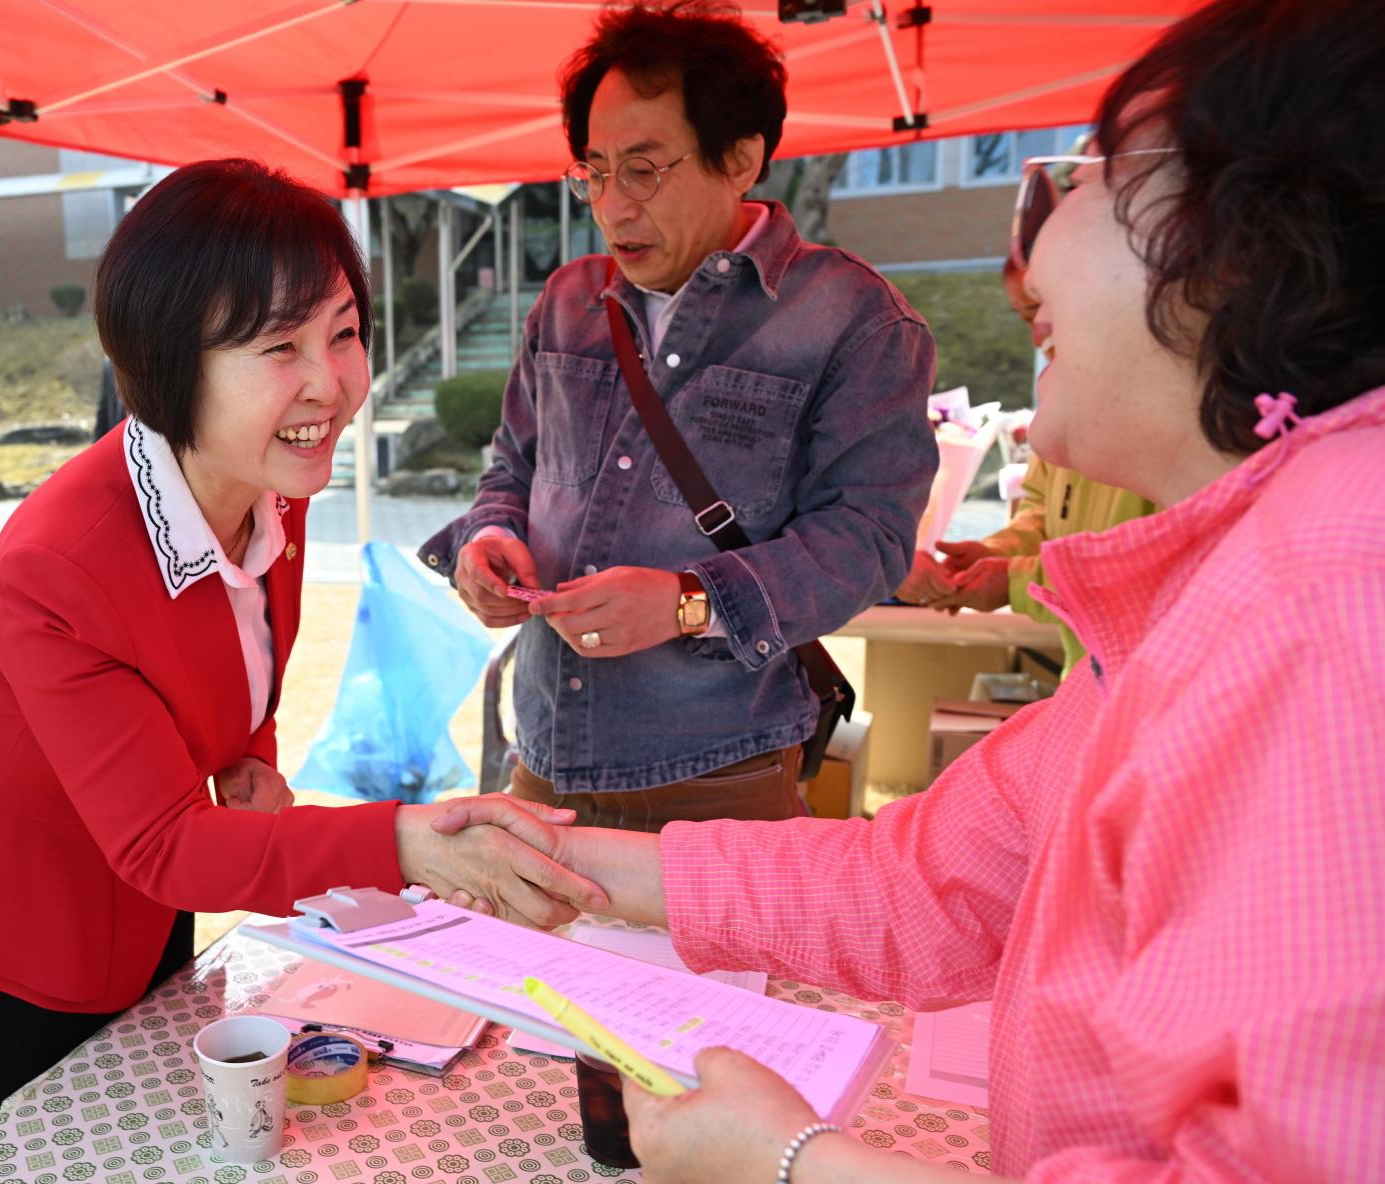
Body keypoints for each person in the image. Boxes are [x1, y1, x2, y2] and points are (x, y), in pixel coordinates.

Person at [438, 0, 1385, 1177]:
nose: (1029, 239)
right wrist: (533, 842)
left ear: (1244, 242)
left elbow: (869, 539)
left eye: (1087, 175)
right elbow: (922, 879)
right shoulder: (1250, 581)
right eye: (595, 172)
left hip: (720, 750)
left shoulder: (1329, 598)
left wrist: (791, 1162)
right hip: (557, 747)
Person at [0, 159, 607, 1151]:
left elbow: (243, 673)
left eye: (344, 332)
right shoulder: (53, 562)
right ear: (167, 365)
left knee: (166, 1145)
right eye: (278, 344)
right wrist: (401, 840)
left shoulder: (272, 477)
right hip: (13, 923)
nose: (330, 381)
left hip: (153, 904)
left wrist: (256, 764)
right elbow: (161, 845)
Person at [420, 2, 937, 830]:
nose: (612, 206)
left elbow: (867, 541)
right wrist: (488, 542)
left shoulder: (852, 320)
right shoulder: (567, 303)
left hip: (719, 780)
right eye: (592, 171)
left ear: (741, 159)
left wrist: (685, 601)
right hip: (545, 761)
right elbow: (511, 471)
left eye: (644, 169)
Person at [897, 261, 1154, 675]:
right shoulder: (1068, 407)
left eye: (1045, 309)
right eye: (1026, 317)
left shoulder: (1160, 418)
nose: (1039, 334)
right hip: (1090, 680)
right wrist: (998, 554)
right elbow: (1041, 511)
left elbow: (1143, 574)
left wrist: (1017, 581)